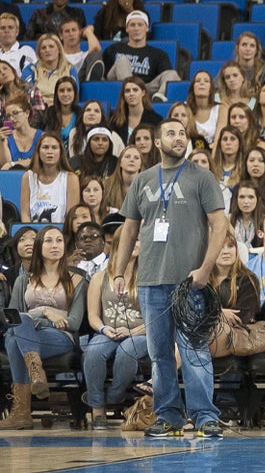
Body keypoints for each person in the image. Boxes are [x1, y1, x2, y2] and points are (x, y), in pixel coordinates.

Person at [108, 119, 228, 438]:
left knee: (194, 350)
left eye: (182, 133)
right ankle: (168, 416)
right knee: (160, 355)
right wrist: (120, 271)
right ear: (158, 143)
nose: (179, 137)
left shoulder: (202, 178)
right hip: (149, 279)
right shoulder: (143, 180)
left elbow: (220, 225)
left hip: (190, 281)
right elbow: (129, 229)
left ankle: (205, 416)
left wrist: (205, 269)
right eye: (171, 133)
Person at [0, 226, 87, 430]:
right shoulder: (24, 280)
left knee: (15, 337)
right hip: (27, 333)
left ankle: (21, 412)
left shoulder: (76, 280)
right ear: (39, 246)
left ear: (65, 246)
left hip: (60, 338)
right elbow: (12, 318)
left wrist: (34, 320)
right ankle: (35, 371)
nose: (54, 245)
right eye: (48, 241)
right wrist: (46, 313)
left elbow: (73, 322)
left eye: (59, 241)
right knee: (14, 335)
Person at [82, 225, 147, 429]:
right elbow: (93, 315)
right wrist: (103, 329)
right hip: (108, 330)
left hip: (141, 332)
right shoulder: (99, 278)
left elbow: (155, 319)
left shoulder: (148, 278)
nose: (135, 244)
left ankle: (115, 395)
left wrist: (132, 331)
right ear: (119, 244)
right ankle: (97, 408)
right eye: (131, 240)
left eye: (138, 240)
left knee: (127, 351)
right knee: (92, 352)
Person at [102, 11, 180, 103]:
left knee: (172, 73)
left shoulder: (158, 54)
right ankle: (131, 93)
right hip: (120, 87)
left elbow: (170, 78)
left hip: (145, 89)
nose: (136, 28)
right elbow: (104, 77)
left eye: (140, 25)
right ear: (127, 28)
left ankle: (158, 99)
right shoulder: (114, 49)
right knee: (122, 61)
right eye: (132, 25)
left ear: (146, 28)